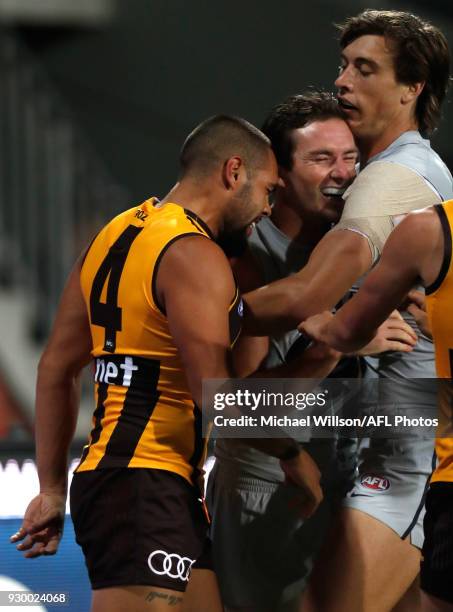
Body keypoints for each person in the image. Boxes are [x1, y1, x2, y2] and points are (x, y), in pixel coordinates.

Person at [9, 115, 334, 612]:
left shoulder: (113, 236)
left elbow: (56, 368)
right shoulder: (195, 255)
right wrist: (291, 454)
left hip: (138, 483)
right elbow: (217, 398)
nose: (268, 208)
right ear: (233, 172)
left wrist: (52, 488)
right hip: (144, 486)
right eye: (268, 190)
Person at [241, 10, 452, 611]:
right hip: (383, 438)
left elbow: (304, 303)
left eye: (365, 69)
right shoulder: (400, 174)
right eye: (342, 66)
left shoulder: (393, 181)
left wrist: (178, 306)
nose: (343, 81)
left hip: (410, 450)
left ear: (412, 89)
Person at [207, 91, 417, 612]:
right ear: (277, 170)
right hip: (270, 488)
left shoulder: (364, 243)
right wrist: (333, 345)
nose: (343, 174)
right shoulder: (240, 262)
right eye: (322, 158)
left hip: (360, 478)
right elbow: (234, 412)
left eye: (350, 157)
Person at [300, 199, 453, 612]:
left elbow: (228, 404)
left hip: (405, 479)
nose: (341, 172)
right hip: (382, 469)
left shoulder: (427, 226)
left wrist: (323, 329)